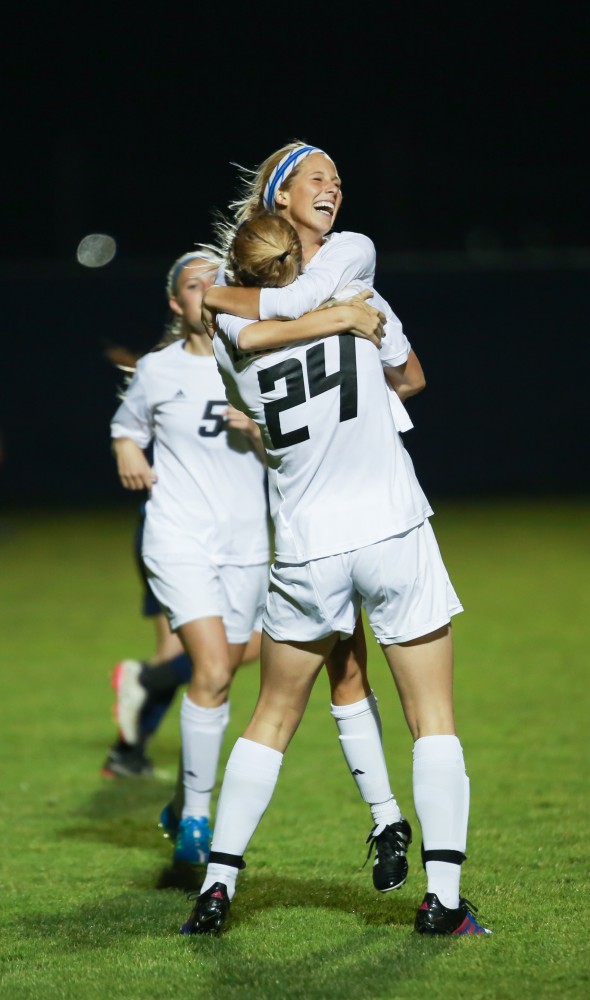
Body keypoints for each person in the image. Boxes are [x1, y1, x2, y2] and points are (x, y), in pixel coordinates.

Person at [180, 143, 491, 937]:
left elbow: (258, 333)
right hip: (390, 525)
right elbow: (409, 377)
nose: (336, 189)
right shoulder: (354, 278)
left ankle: (216, 888)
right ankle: (445, 903)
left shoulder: (227, 330)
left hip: (307, 546)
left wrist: (240, 298)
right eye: (319, 178)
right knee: (435, 719)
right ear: (283, 201)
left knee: (273, 717)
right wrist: (356, 322)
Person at [101, 249, 271, 865]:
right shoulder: (158, 368)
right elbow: (128, 423)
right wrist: (127, 447)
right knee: (211, 668)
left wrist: (260, 430)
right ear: (177, 304)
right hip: (177, 538)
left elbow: (299, 447)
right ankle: (197, 823)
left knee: (218, 673)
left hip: (247, 545)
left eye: (218, 283)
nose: (208, 292)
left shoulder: (259, 361)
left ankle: (180, 802)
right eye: (195, 286)